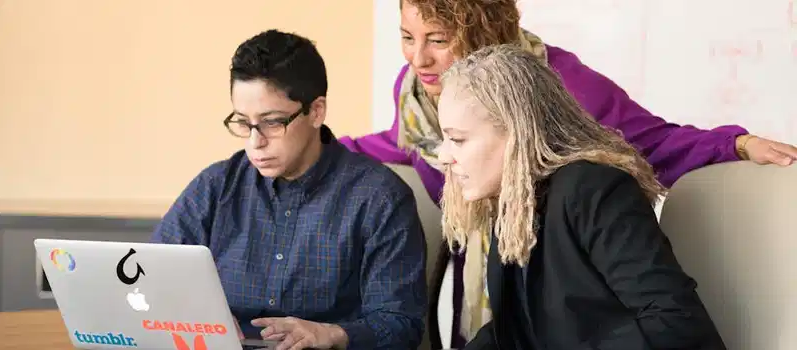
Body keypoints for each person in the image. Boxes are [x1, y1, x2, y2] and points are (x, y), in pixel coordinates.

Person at [337, 0, 797, 347]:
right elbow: (398, 141)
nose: (418, 59)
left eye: (437, 39)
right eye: (407, 37)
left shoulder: (590, 179)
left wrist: (735, 144)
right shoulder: (500, 190)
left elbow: (652, 141)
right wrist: (321, 148)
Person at [150, 29, 427, 350]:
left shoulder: (379, 198)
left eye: (271, 122)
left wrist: (331, 334)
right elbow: (155, 279)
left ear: (316, 111)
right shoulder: (216, 186)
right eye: (243, 123)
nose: (255, 142)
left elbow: (401, 324)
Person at [438, 43, 726, 349]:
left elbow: (676, 324)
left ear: (517, 134)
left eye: (457, 139)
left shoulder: (594, 189)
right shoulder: (515, 203)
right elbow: (516, 333)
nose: (443, 155)